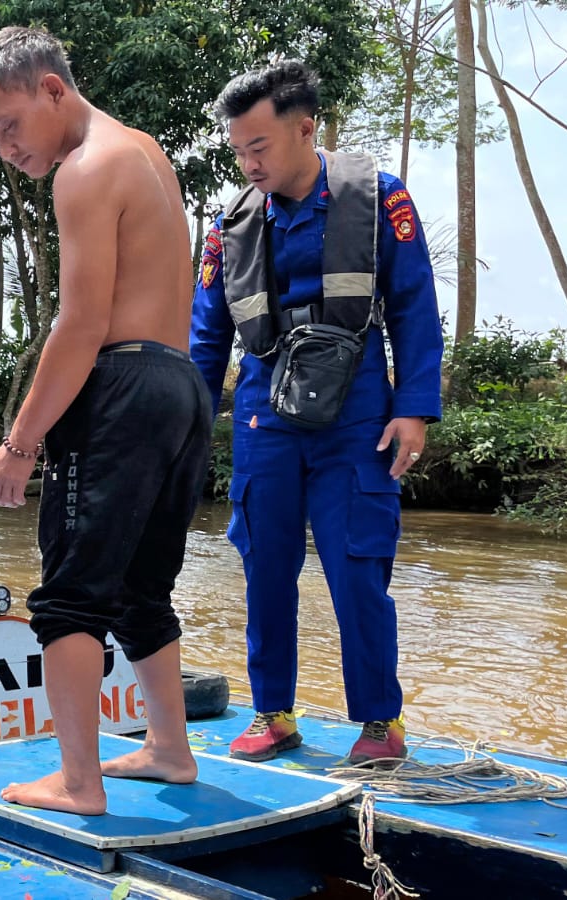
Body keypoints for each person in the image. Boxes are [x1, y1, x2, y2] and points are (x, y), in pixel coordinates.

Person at [0, 26, 212, 814]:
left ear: (52, 90)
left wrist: (19, 441)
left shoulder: (84, 168)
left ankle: (78, 781)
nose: (6, 148)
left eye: (9, 126)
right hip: (181, 385)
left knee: (69, 594)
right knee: (141, 587)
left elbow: (80, 325)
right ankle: (169, 748)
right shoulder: (145, 152)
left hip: (124, 387)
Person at [190, 61, 443, 765]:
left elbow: (414, 304)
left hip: (356, 412)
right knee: (265, 567)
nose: (249, 163)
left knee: (357, 567)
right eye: (239, 150)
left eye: (260, 146)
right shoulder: (230, 226)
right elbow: (206, 336)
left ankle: (380, 724)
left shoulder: (380, 198)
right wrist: (187, 428)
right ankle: (273, 713)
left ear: (305, 129)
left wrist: (414, 409)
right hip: (262, 413)